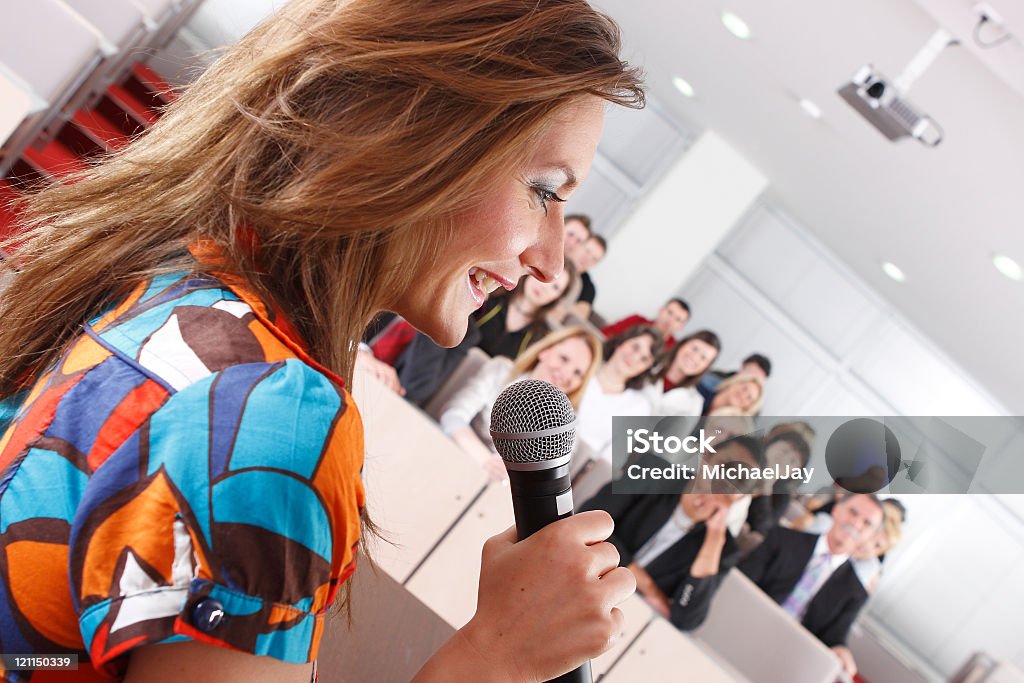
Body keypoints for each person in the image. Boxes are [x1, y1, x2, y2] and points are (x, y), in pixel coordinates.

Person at [0, 1, 644, 680]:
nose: (552, 259)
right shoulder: (270, 409)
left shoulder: (169, 282)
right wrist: (496, 655)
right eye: (544, 190)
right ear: (414, 135)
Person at [738, 493, 885, 676]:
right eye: (853, 512)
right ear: (836, 510)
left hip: (787, 661)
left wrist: (841, 650)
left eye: (867, 524)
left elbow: (835, 637)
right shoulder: (782, 538)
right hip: (746, 626)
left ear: (872, 536)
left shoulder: (855, 593)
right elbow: (741, 582)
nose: (856, 524)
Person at [439, 327, 602, 479]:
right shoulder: (500, 370)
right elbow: (453, 416)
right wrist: (486, 461)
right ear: (545, 351)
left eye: (578, 373)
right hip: (455, 456)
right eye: (564, 359)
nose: (566, 374)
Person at [575, 326, 661, 461]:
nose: (635, 358)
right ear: (621, 342)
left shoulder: (639, 406)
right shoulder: (583, 365)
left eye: (644, 359)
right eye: (635, 347)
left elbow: (613, 459)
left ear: (646, 368)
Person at [472, 261, 579, 359]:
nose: (544, 287)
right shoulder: (490, 295)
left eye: (555, 287)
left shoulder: (541, 337)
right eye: (544, 276)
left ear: (557, 297)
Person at [651, 330, 721, 417]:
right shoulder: (646, 368)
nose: (695, 357)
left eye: (703, 358)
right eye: (695, 349)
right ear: (683, 344)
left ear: (706, 367)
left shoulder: (694, 404)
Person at [602, 298, 691, 350]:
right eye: (670, 312)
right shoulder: (636, 320)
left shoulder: (673, 350)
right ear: (661, 310)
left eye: (677, 319)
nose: (670, 320)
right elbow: (605, 334)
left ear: (681, 327)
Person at [698, 352, 771, 402]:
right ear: (743, 366)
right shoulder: (711, 378)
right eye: (750, 372)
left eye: (757, 378)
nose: (751, 380)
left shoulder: (752, 405)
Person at [567, 233, 607, 321]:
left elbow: (579, 316)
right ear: (578, 245)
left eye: (594, 259)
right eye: (587, 251)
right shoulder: (553, 257)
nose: (587, 259)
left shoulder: (586, 286)